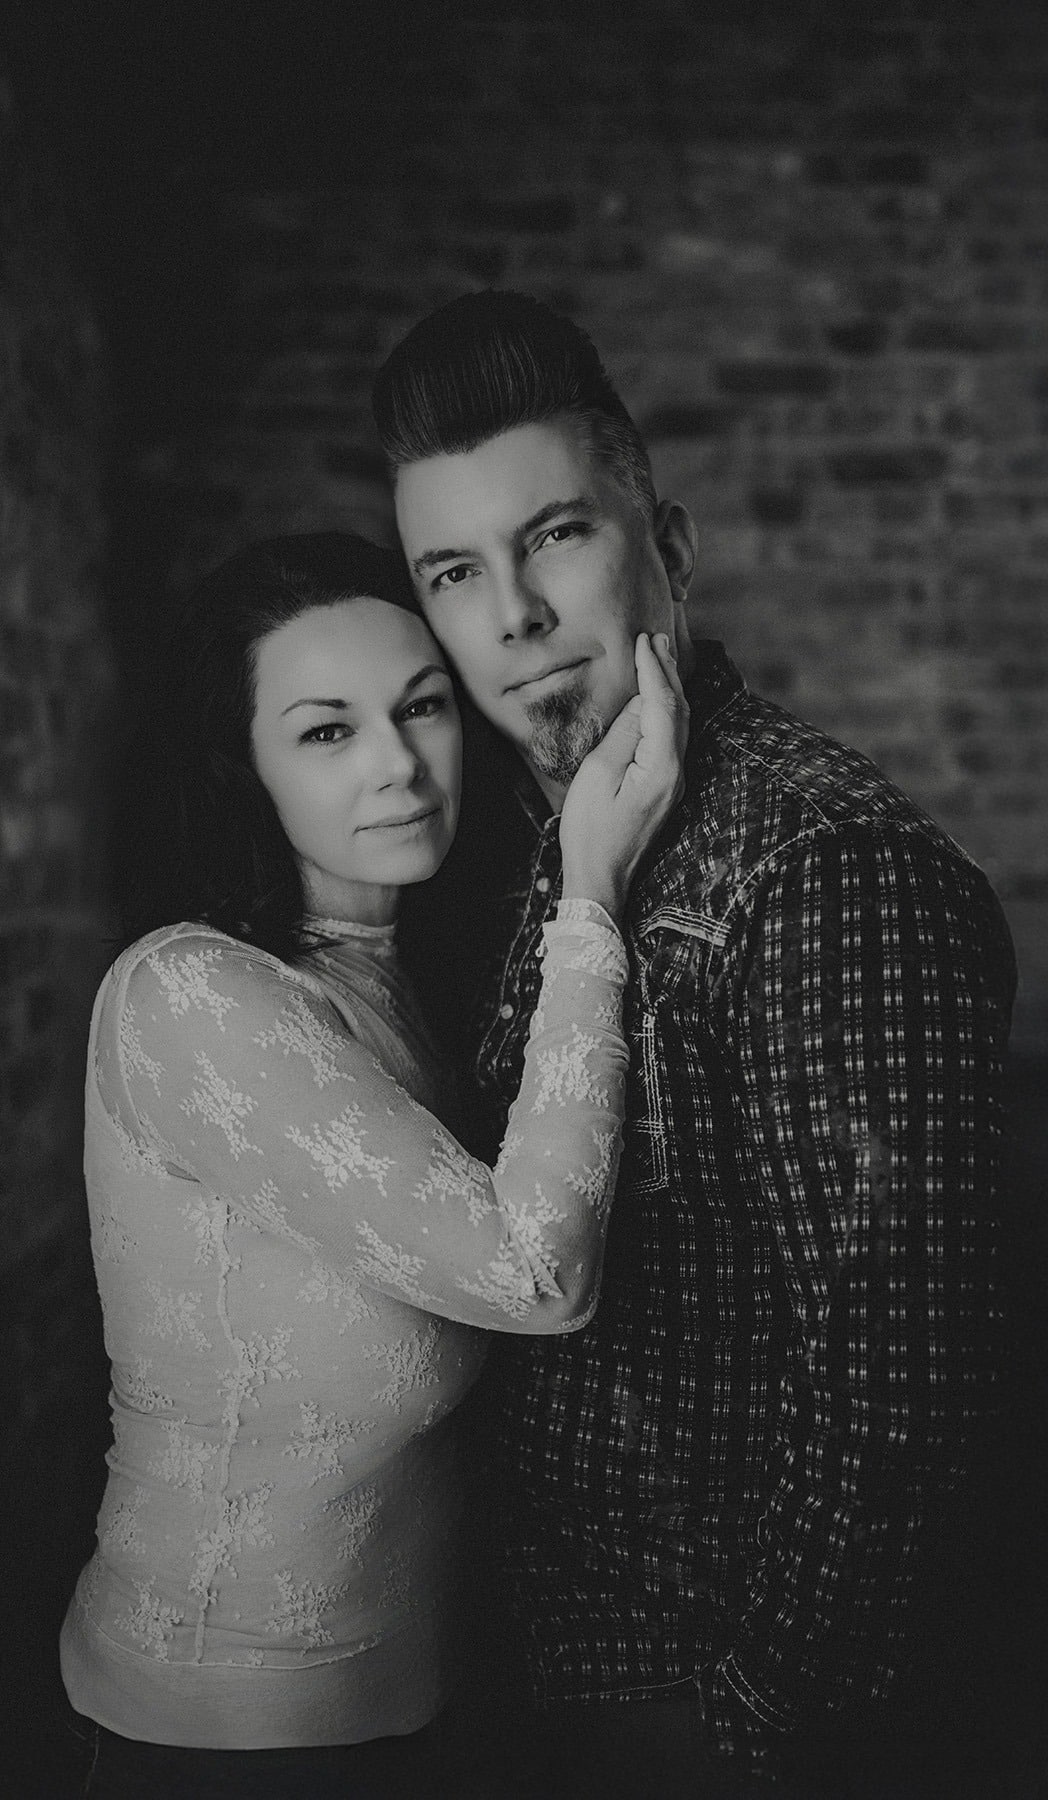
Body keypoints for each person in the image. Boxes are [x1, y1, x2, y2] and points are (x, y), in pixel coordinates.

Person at [372, 290, 1016, 1797]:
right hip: (548, 1672)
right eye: (455, 571)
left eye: (557, 537)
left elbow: (899, 1392)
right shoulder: (569, 840)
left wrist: (747, 1733)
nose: (513, 615)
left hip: (700, 1713)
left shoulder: (822, 867)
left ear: (670, 543)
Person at [59, 532, 688, 1798]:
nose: (400, 764)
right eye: (326, 731)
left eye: (420, 708)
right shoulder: (191, 995)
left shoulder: (407, 981)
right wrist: (594, 892)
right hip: (215, 1737)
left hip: (422, 1709)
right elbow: (532, 1275)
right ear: (241, 768)